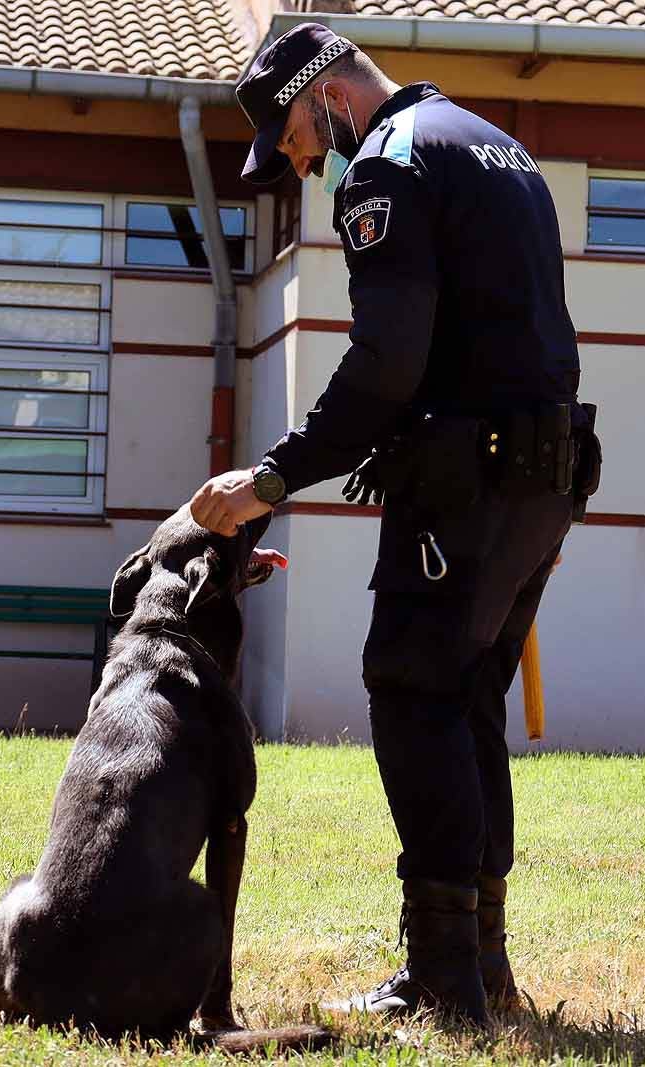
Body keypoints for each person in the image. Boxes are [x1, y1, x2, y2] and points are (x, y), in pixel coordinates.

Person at [187, 23, 599, 1026]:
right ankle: (484, 967)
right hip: (542, 472)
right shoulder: (491, 142)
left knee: (413, 691)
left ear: (325, 95)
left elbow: (384, 364)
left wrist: (271, 479)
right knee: (462, 702)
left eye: (291, 138)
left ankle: (443, 983)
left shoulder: (386, 163)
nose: (301, 162)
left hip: (471, 481)